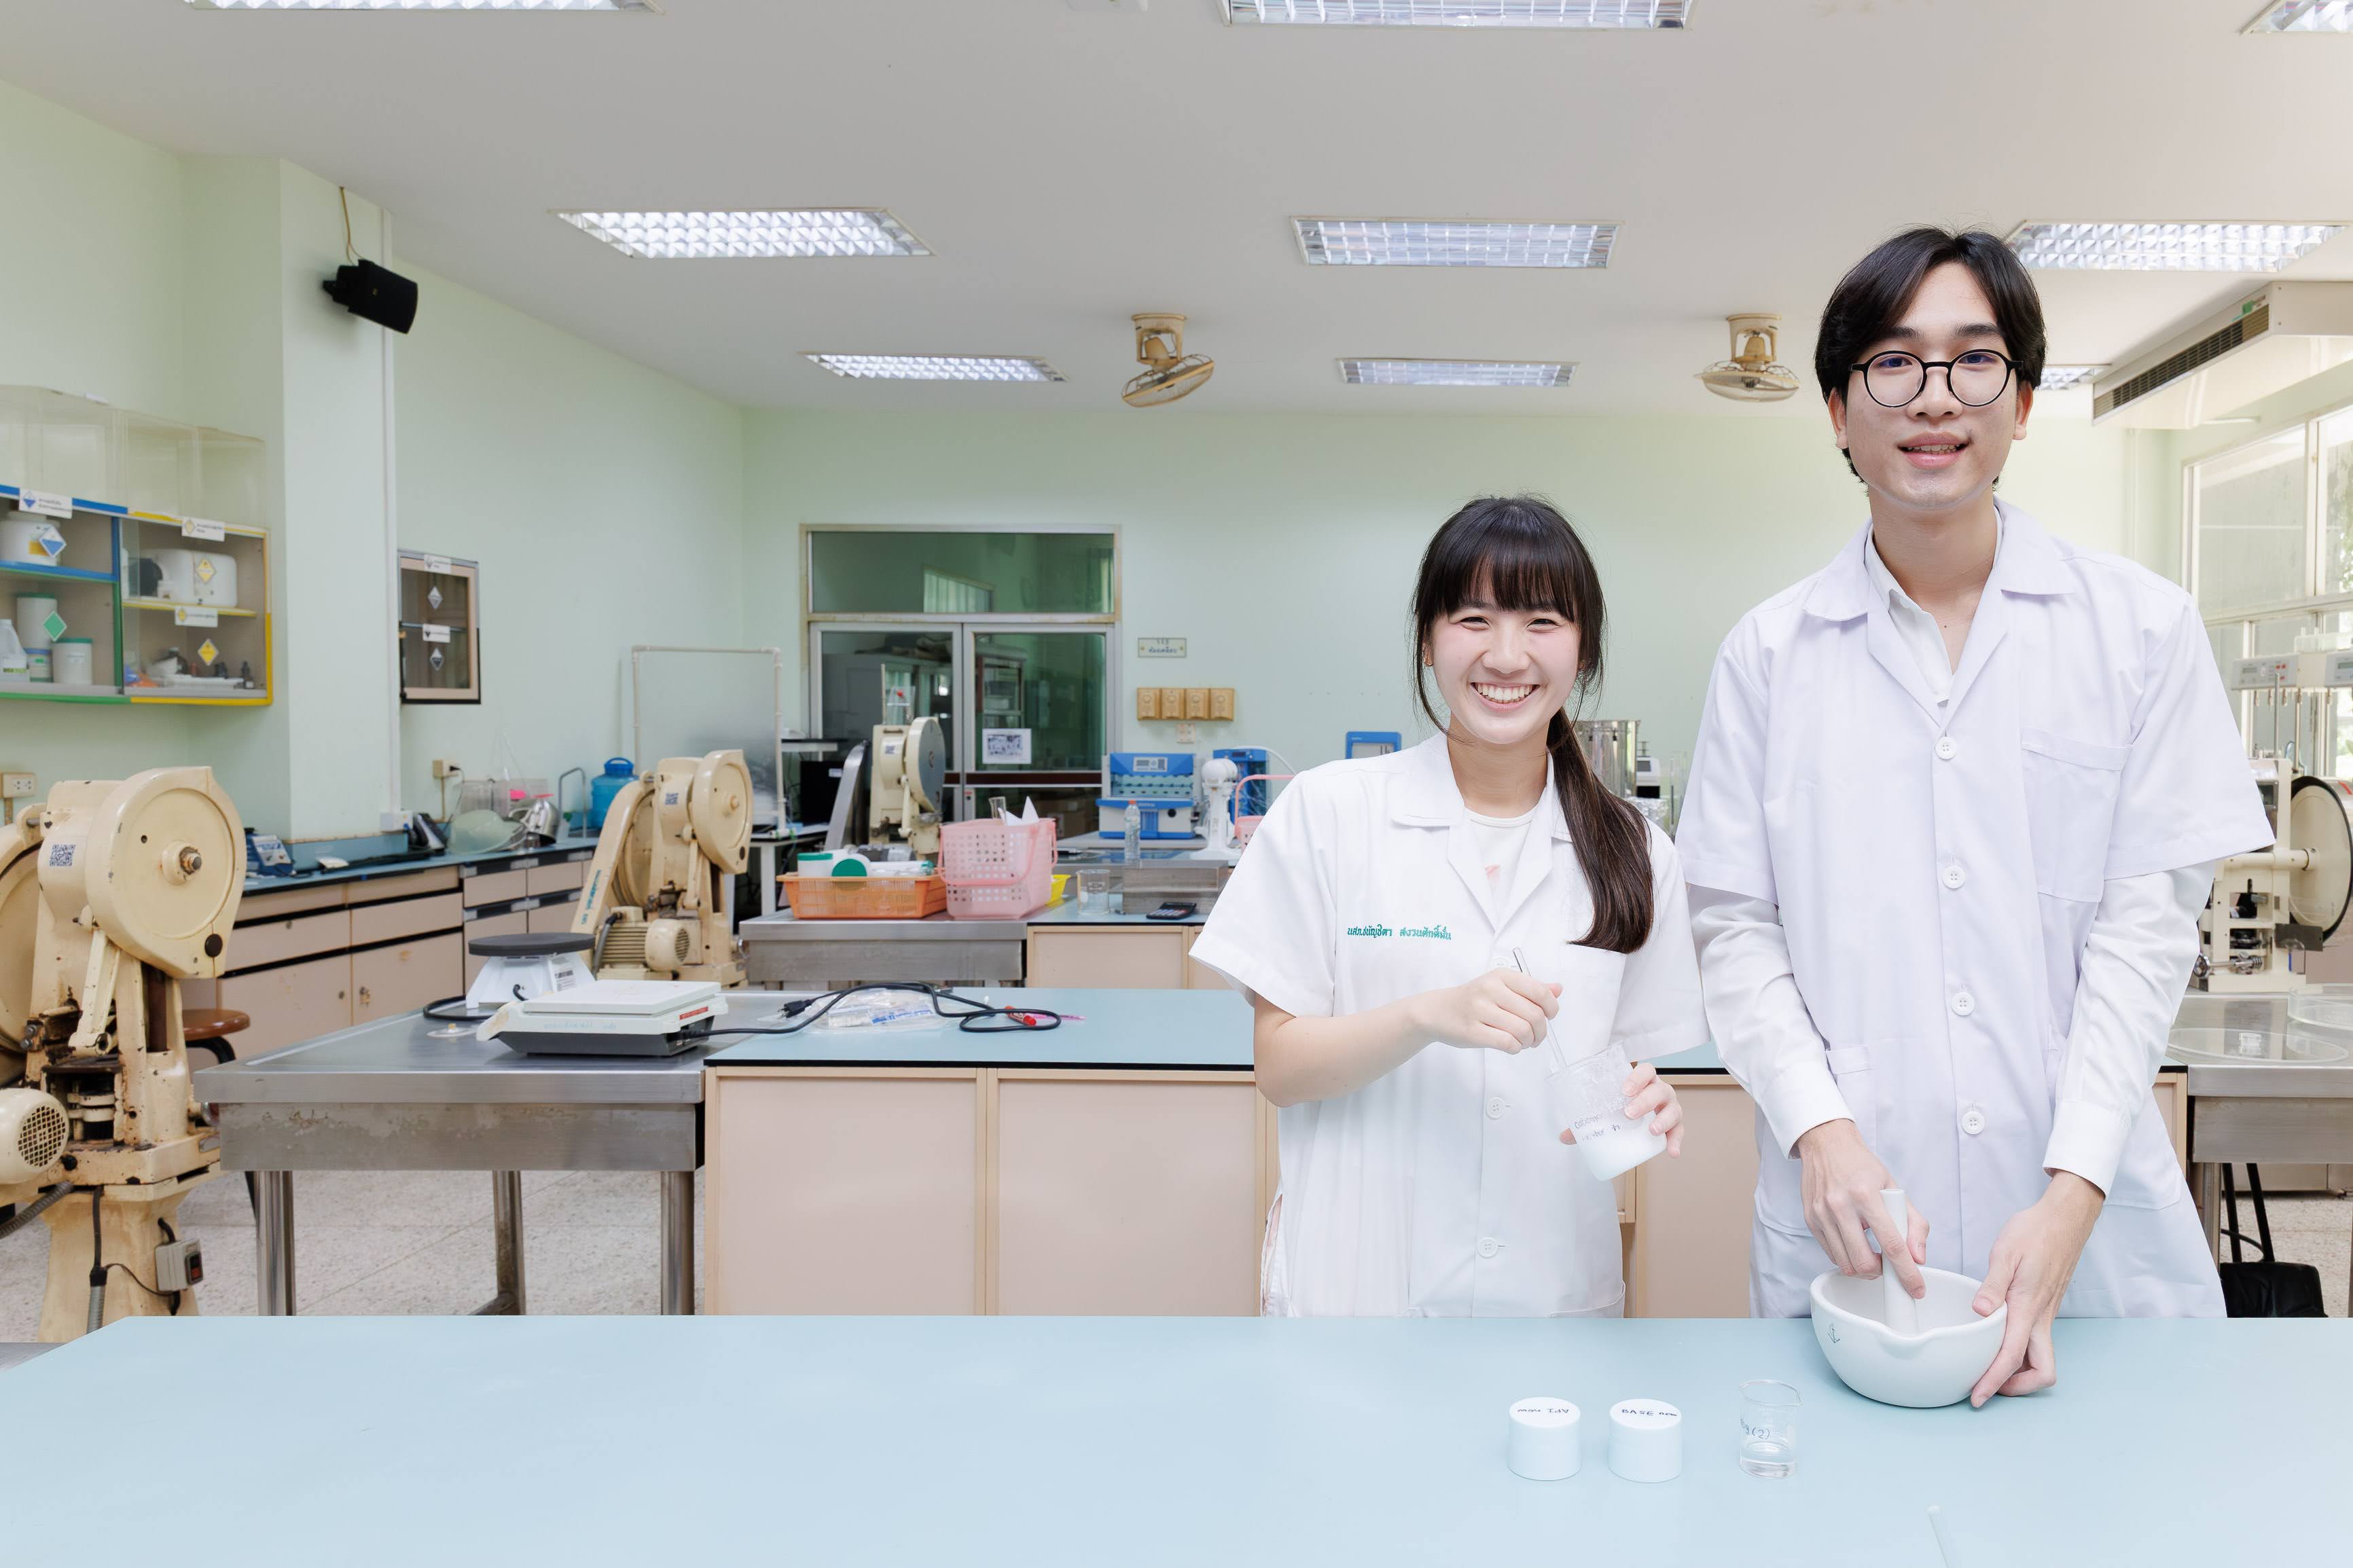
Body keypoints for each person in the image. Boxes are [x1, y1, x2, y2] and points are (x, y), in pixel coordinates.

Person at [1676, 227, 2270, 1404]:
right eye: (1892, 364)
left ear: (2024, 401)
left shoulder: (2139, 631)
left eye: (1974, 360)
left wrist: (2073, 1190)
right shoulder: (1768, 655)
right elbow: (1734, 929)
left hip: (2084, 1226)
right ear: (1838, 413)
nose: (1934, 398)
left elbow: (2144, 935)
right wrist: (1819, 1131)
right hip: (1855, 1221)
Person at [1191, 496, 1708, 1317]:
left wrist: (1643, 1104)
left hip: (1547, 1295)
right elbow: (1280, 1069)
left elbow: (1621, 1071)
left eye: (1541, 621)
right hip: (1359, 1292)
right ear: (1427, 641)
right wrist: (1425, 1014)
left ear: (1582, 649)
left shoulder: (1633, 849)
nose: (1505, 654)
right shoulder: (1330, 812)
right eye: (1473, 618)